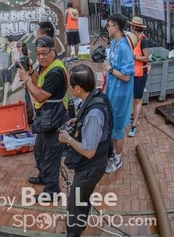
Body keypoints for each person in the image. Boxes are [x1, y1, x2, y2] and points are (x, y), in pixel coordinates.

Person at [59, 65, 113, 237]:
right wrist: (79, 120)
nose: (69, 88)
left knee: (75, 204)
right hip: (96, 164)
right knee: (84, 197)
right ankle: (81, 224)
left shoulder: (94, 114)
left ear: (78, 89)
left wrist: (67, 139)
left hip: (90, 166)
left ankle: (74, 232)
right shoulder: (98, 97)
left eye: (70, 85)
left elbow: (89, 152)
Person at [18, 36, 69, 203]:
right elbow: (40, 83)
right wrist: (31, 72)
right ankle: (44, 176)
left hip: (54, 119)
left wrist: (26, 79)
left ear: (53, 51)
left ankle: (52, 191)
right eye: (38, 53)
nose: (40, 57)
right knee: (39, 151)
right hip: (46, 118)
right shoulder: (47, 67)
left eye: (44, 53)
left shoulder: (56, 71)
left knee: (51, 156)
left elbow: (40, 95)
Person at [102, 14, 134, 174]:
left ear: (116, 28)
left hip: (121, 94)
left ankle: (118, 159)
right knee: (112, 123)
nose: (107, 28)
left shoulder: (124, 48)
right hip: (112, 90)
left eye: (108, 26)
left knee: (118, 127)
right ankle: (113, 152)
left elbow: (127, 77)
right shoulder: (115, 43)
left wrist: (109, 69)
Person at [128, 16, 150, 137]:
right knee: (134, 98)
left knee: (137, 99)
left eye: (131, 26)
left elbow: (146, 58)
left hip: (140, 74)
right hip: (133, 73)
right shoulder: (133, 39)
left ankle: (134, 125)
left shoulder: (143, 40)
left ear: (134, 27)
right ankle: (134, 117)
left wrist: (134, 57)